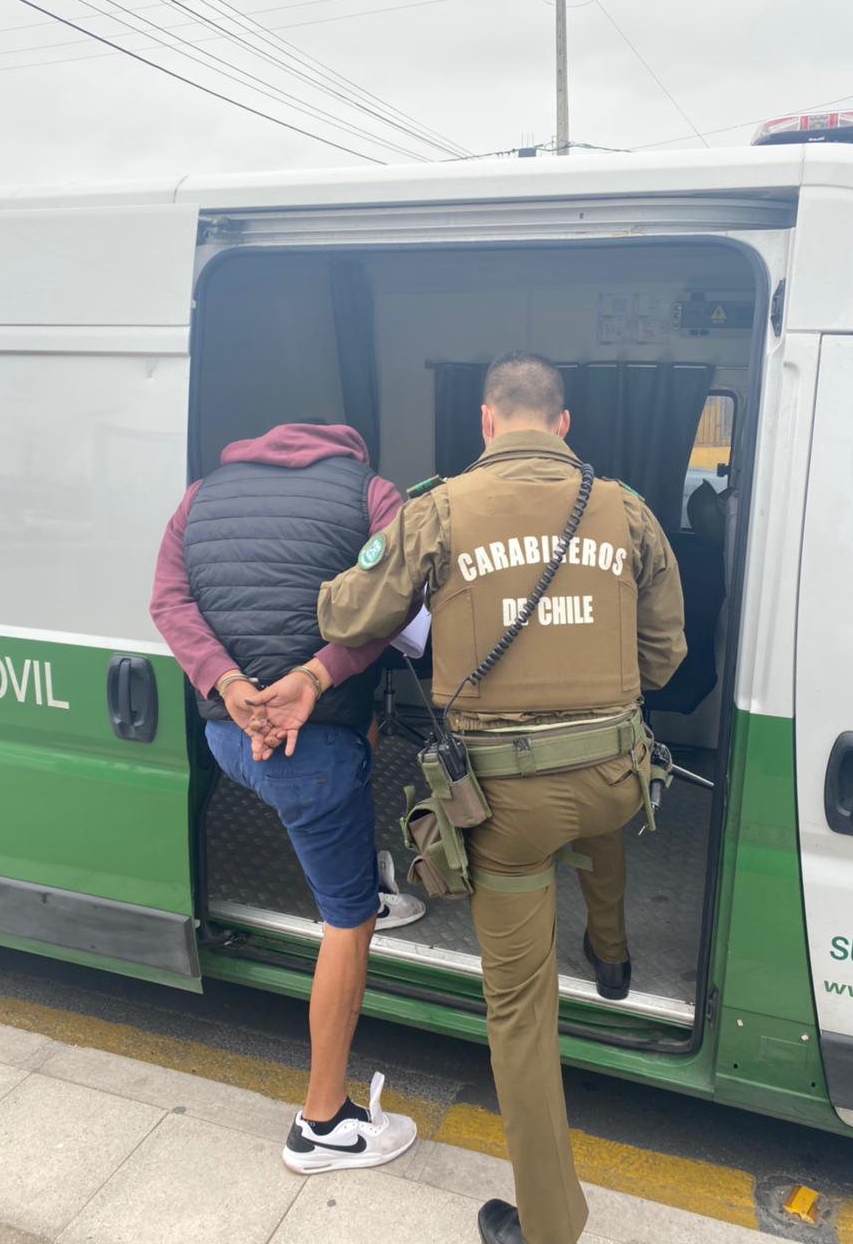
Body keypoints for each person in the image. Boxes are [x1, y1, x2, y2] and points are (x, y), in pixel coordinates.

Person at [249, 353, 685, 1242]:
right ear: (563, 424)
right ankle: (612, 959)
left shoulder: (437, 508)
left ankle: (551, 1223)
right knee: (597, 819)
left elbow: (346, 616)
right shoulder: (627, 509)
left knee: (521, 1010)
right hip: (612, 778)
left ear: (486, 421)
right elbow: (666, 657)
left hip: (506, 804)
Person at [149, 418, 420, 1175]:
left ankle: (360, 877)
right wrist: (314, 677)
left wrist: (230, 684)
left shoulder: (200, 496)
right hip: (312, 749)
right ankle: (322, 1122)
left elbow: (169, 603)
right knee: (347, 921)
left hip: (232, 736)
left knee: (346, 766)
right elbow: (398, 602)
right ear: (347, 452)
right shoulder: (373, 494)